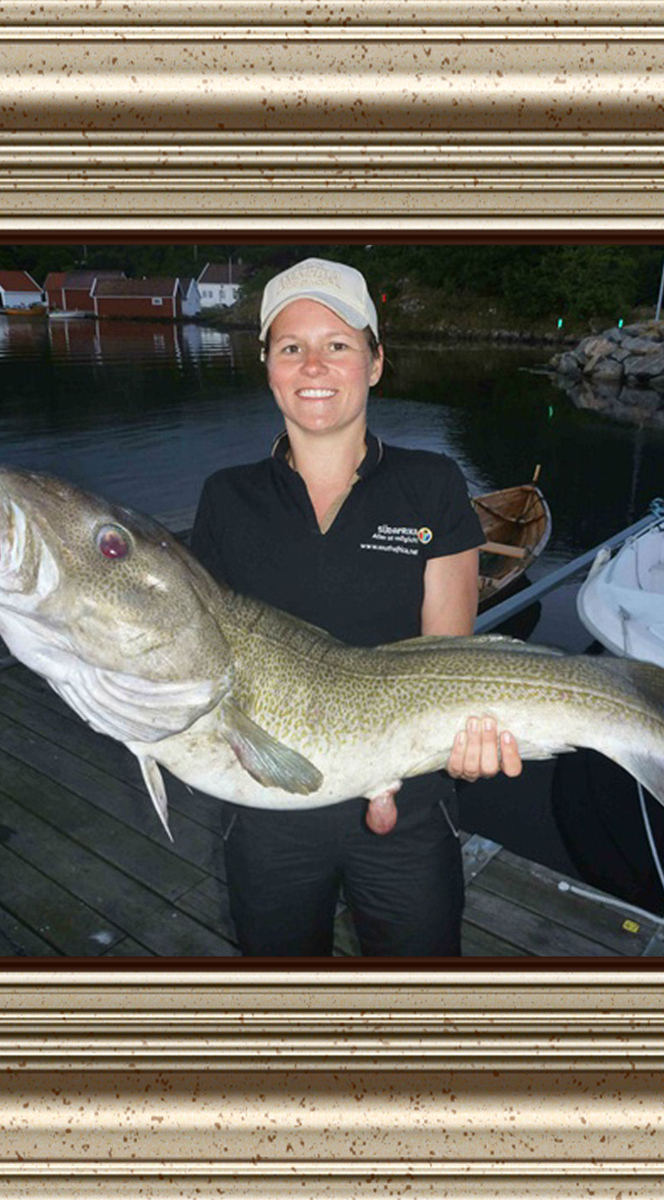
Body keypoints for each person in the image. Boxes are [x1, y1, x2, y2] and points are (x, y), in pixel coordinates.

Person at [191, 257, 521, 957]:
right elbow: (204, 659)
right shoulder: (225, 497)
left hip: (408, 813)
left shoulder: (432, 485)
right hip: (266, 807)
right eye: (291, 347)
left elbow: (450, 666)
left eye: (337, 344)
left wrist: (465, 748)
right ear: (268, 366)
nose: (313, 365)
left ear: (374, 363)